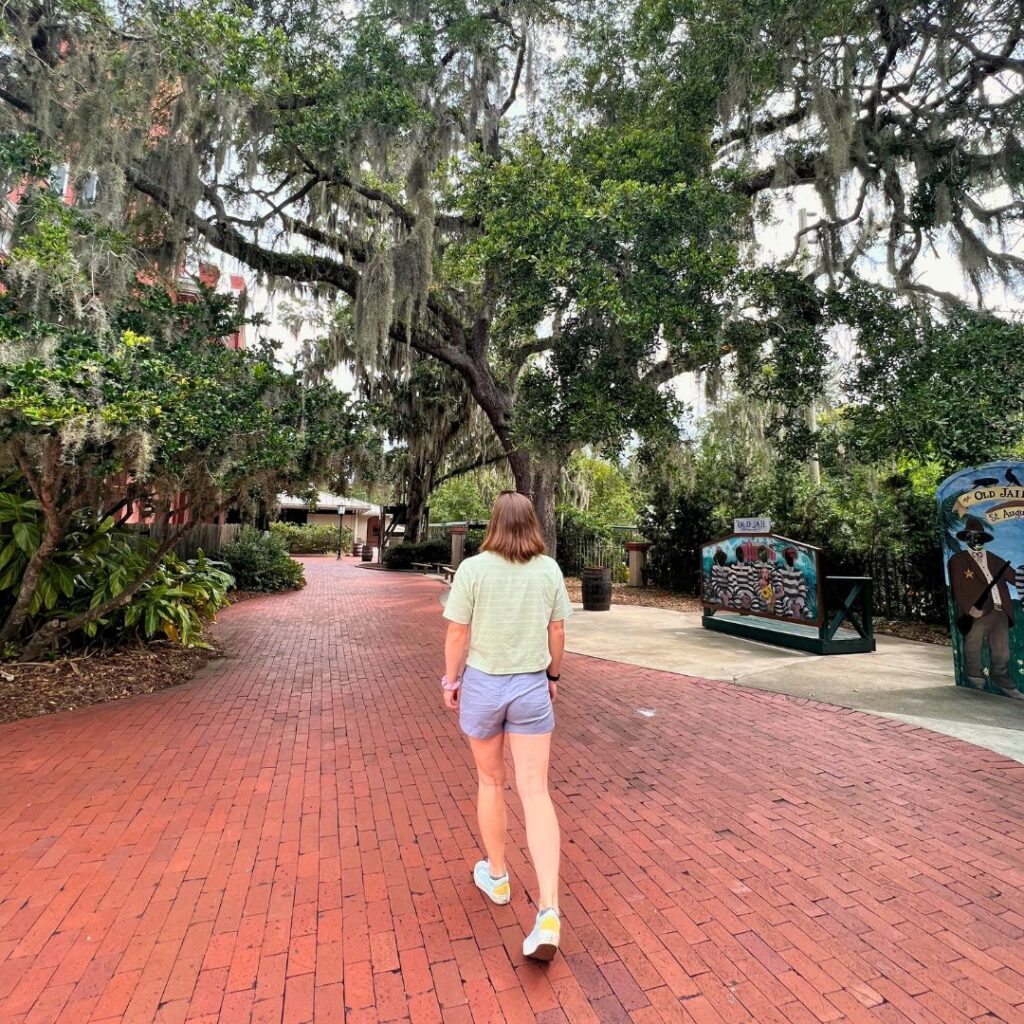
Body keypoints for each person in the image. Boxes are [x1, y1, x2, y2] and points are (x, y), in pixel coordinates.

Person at [440, 491, 572, 960]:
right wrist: (553, 676)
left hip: (482, 686)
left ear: (494, 523)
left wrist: (450, 681)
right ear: (532, 523)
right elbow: (557, 632)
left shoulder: (474, 570)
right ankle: (549, 911)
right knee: (535, 791)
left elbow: (458, 631)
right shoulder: (548, 569)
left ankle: (497, 878)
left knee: (490, 782)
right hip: (531, 686)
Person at [948, 515, 1023, 699]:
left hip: (1000, 610)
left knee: (1001, 648)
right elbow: (957, 588)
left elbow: (1013, 577)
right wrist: (969, 608)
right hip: (977, 611)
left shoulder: (995, 559)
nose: (977, 540)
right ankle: (974, 677)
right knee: (973, 643)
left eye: (980, 537)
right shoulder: (958, 560)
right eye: (973, 537)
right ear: (967, 539)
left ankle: (1002, 679)